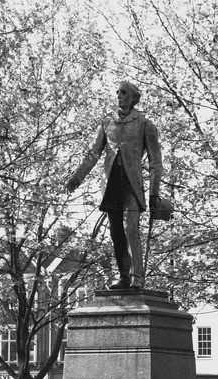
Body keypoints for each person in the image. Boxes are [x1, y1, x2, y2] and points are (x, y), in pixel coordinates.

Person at [66, 81, 163, 290]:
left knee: (131, 228)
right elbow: (93, 154)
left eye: (124, 93)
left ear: (133, 98)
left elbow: (156, 162)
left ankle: (138, 277)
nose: (119, 96)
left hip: (132, 184)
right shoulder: (106, 123)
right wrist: (77, 178)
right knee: (116, 232)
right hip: (111, 184)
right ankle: (123, 277)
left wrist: (154, 193)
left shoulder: (145, 125)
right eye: (117, 92)